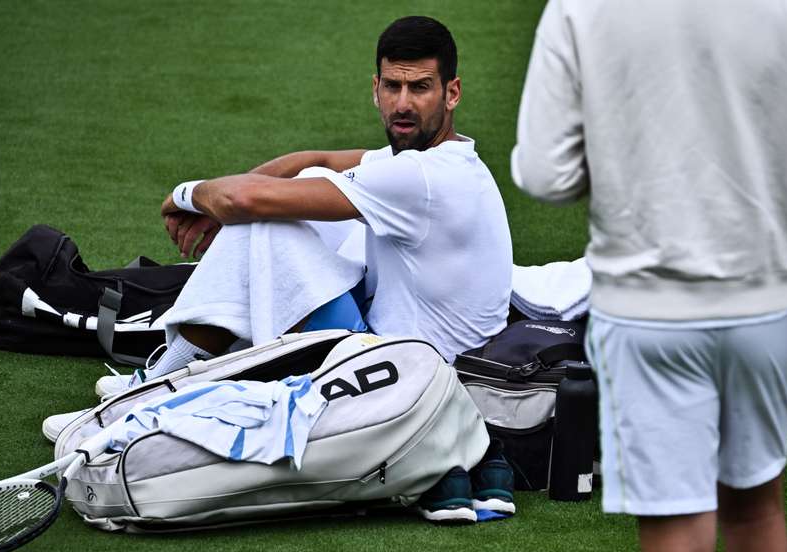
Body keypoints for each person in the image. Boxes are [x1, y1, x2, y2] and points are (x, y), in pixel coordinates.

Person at [511, 1, 787, 552]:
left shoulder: (581, 7)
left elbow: (544, 174)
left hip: (645, 310)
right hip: (764, 298)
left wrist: (623, 166)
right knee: (757, 510)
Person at [104, 15, 512, 390]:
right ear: (376, 89)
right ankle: (176, 374)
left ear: (451, 93)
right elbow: (313, 162)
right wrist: (218, 209)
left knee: (262, 222)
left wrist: (186, 196)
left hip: (405, 380)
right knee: (309, 185)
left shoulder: (418, 177)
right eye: (393, 86)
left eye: (420, 87)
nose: (402, 103)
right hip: (415, 359)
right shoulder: (434, 159)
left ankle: (157, 384)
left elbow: (243, 199)